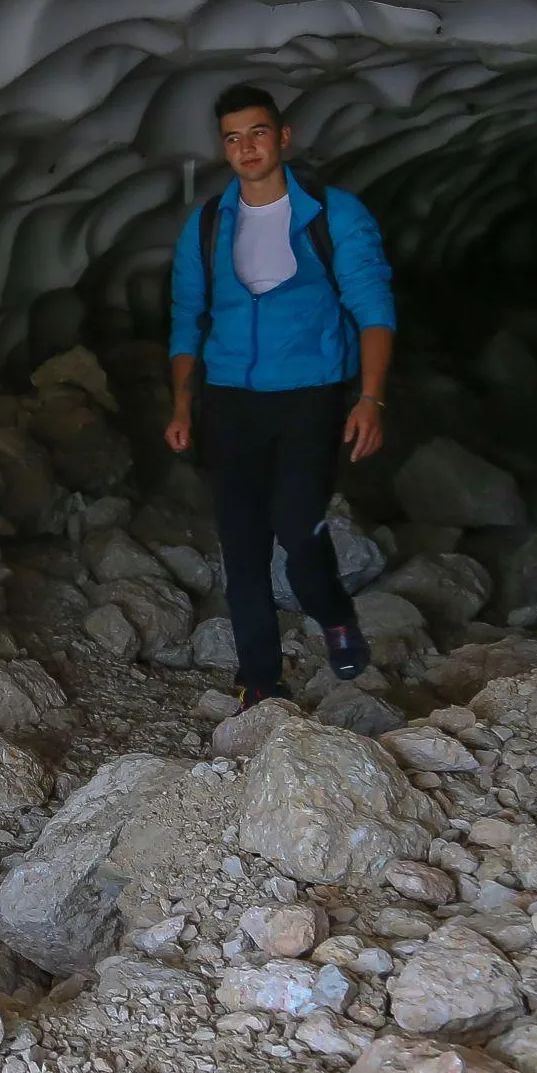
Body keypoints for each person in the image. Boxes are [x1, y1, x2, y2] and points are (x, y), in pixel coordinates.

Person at [165, 84, 397, 706]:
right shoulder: (210, 223)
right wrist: (183, 404)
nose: (246, 147)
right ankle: (260, 682)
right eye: (233, 138)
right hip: (230, 397)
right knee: (240, 546)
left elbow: (373, 306)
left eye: (258, 133)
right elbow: (188, 316)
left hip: (310, 396)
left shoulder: (334, 213)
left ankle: (334, 612)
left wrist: (369, 400)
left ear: (283, 137)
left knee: (298, 528)